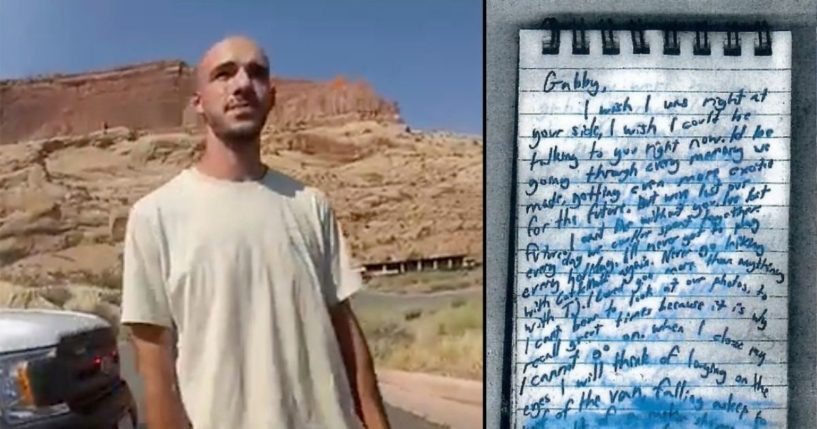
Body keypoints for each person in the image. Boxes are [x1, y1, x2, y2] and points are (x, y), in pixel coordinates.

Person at [120, 35, 391, 429]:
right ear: (198, 102)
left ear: (271, 96)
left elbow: (346, 331)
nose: (243, 84)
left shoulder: (309, 204)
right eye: (224, 74)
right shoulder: (155, 216)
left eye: (257, 74)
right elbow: (156, 371)